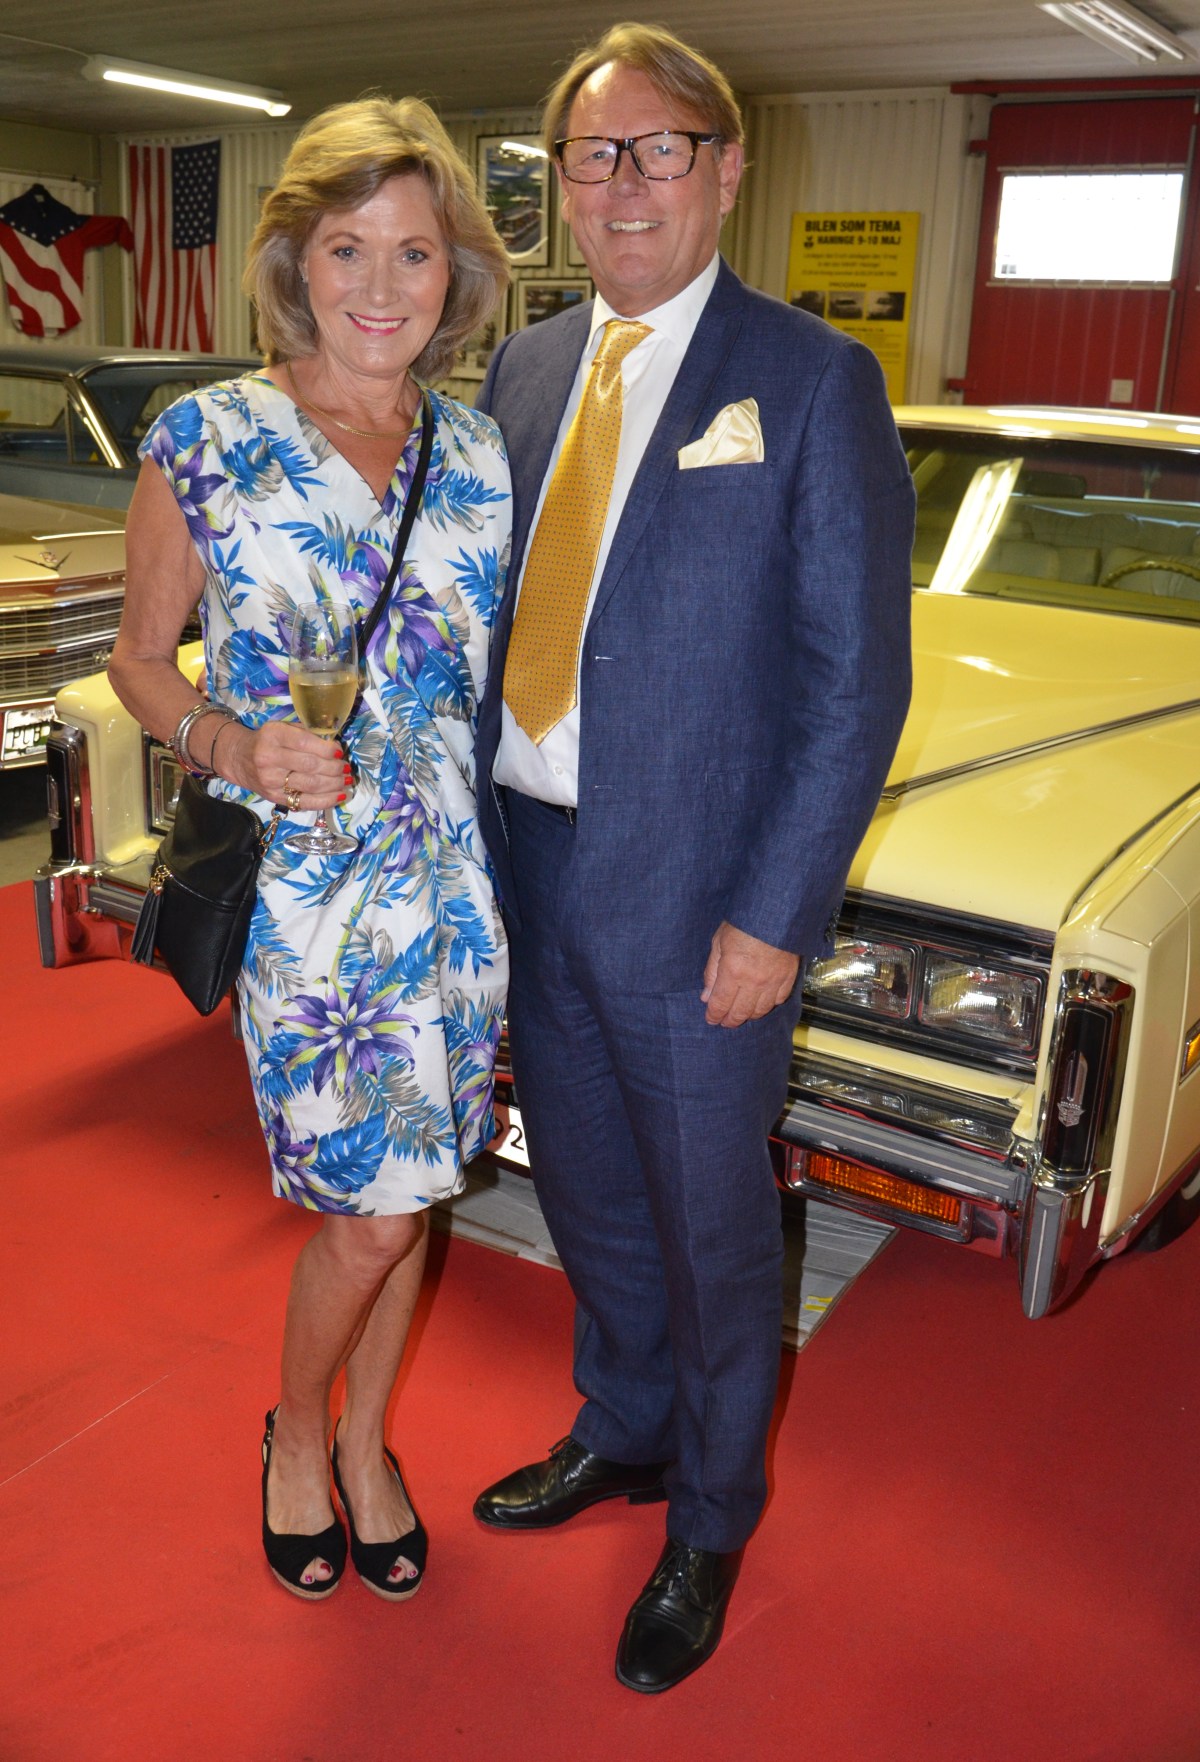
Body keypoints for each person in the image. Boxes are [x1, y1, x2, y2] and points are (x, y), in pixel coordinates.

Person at [471, 24, 915, 1692]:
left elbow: (855, 683)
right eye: (595, 155)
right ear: (562, 185)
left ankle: (714, 1514)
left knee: (713, 1225)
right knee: (585, 1186)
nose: (626, 183)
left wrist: (775, 915)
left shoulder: (809, 380)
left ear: (726, 172)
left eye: (662, 149)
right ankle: (628, 1424)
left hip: (701, 900)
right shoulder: (523, 374)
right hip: (533, 864)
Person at [108, 97, 511, 1604]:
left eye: (415, 251)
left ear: (454, 272)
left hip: (456, 887)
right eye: (349, 248)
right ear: (295, 260)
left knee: (418, 1189)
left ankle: (363, 1441)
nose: (381, 285)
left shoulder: (480, 454)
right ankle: (294, 1428)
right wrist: (230, 743)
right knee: (376, 1208)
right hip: (309, 887)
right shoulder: (206, 438)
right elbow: (140, 660)